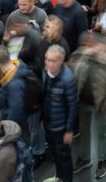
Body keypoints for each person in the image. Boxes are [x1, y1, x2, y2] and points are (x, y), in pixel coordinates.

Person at [42, 44, 79, 181]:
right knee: (55, 155)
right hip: (49, 124)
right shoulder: (46, 73)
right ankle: (59, 177)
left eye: (53, 61)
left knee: (64, 158)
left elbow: (73, 106)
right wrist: (42, 119)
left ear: (61, 61)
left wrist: (69, 130)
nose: (49, 64)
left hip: (61, 128)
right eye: (47, 59)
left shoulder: (68, 79)